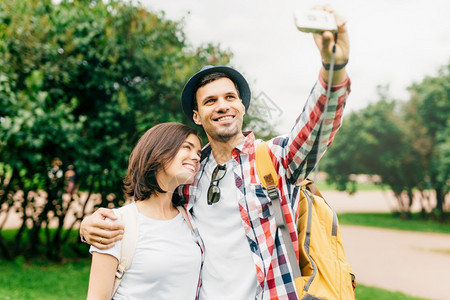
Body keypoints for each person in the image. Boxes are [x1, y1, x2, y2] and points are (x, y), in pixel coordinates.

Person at [81, 6, 351, 300]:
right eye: (210, 101)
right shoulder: (190, 175)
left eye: (230, 97)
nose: (222, 106)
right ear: (197, 116)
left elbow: (316, 126)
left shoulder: (274, 159)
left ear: (242, 107)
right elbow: (148, 215)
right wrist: (89, 227)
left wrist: (333, 68)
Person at [86, 122, 203, 299]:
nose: (196, 157)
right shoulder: (116, 222)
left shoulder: (191, 220)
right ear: (158, 152)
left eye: (199, 153)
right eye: (187, 147)